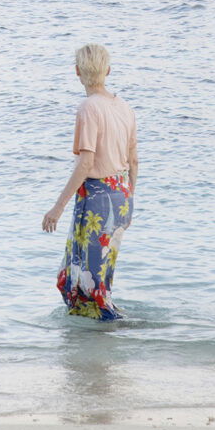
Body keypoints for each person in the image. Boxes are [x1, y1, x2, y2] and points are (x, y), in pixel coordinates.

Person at [43, 43, 137, 320]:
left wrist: (57, 208)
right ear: (107, 71)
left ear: (77, 72)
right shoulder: (124, 107)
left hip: (97, 198)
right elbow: (134, 161)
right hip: (121, 195)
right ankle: (97, 348)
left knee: (81, 284)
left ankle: (100, 348)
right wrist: (130, 200)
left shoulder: (88, 107)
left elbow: (86, 163)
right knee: (99, 283)